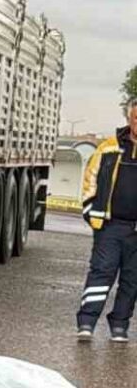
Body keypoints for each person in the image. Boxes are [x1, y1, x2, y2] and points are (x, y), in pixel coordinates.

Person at [76, 98, 137, 342]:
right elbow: (90, 179)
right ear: (129, 119)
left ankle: (120, 325)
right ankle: (87, 323)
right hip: (110, 226)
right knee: (102, 272)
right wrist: (91, 212)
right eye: (136, 118)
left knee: (132, 279)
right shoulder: (109, 148)